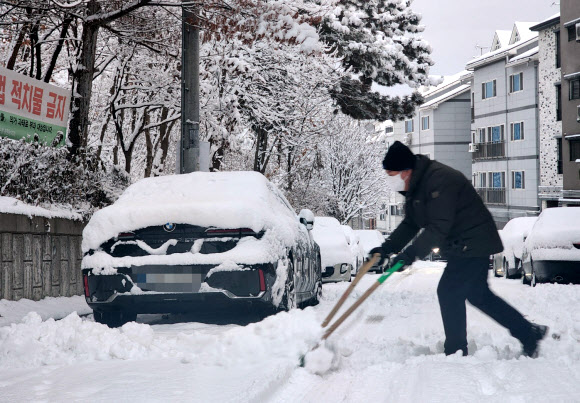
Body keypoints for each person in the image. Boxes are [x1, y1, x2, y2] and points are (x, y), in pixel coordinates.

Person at [370, 141, 548, 357]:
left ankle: (456, 351)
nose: (390, 180)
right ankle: (528, 332)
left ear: (406, 171)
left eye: (392, 174)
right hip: (463, 243)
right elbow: (411, 223)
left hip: (472, 241)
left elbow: (438, 227)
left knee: (449, 291)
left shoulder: (438, 181)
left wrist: (408, 256)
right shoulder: (417, 185)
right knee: (478, 295)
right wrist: (385, 249)